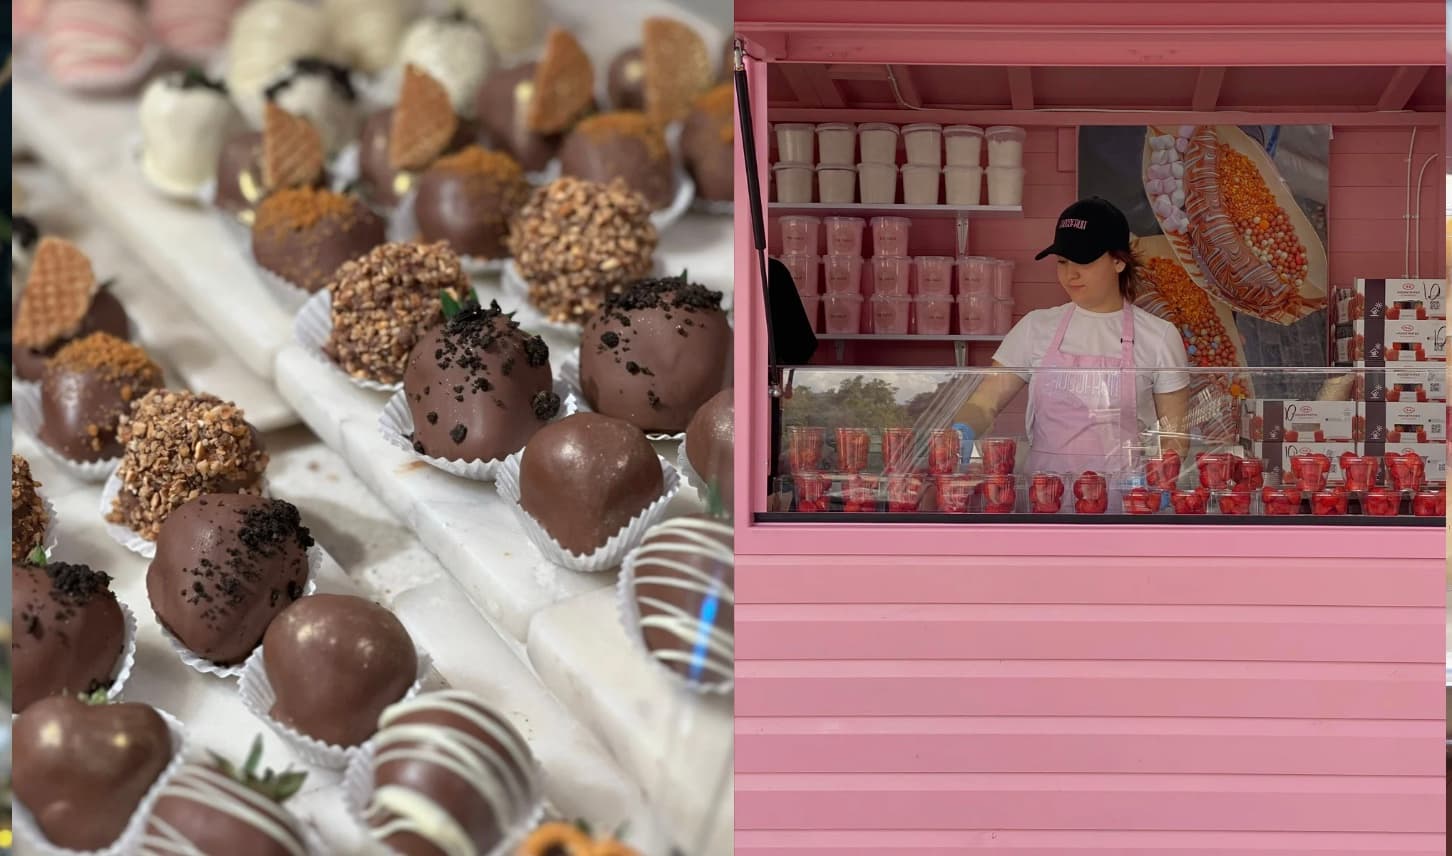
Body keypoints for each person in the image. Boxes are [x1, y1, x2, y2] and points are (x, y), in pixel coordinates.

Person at [951, 197, 1191, 479]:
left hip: (1124, 507)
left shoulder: (1160, 337)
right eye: (1063, 261)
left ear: (1119, 261)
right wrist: (961, 433)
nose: (1070, 274)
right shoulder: (1035, 327)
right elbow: (984, 403)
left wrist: (1160, 481)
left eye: (1084, 261)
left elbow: (1174, 437)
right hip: (1045, 504)